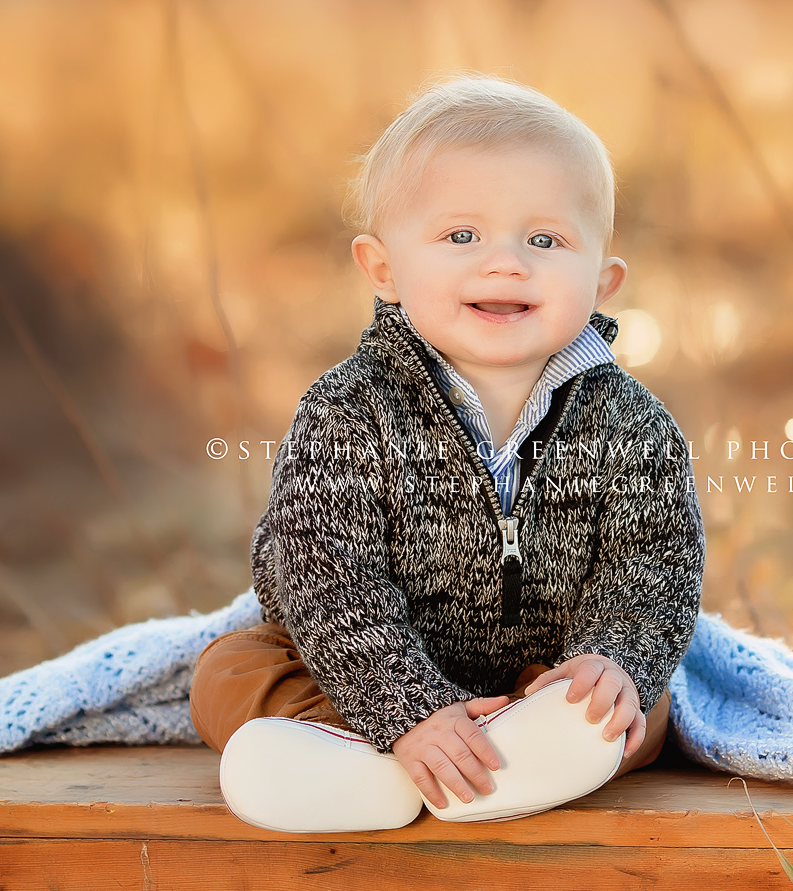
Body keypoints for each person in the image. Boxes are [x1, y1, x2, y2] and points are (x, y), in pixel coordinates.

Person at [189, 74, 706, 832]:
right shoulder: (349, 408)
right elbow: (319, 568)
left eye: (544, 239)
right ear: (383, 268)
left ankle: (519, 759)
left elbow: (655, 561)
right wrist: (407, 707)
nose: (505, 263)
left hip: (537, 679)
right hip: (363, 677)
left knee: (637, 703)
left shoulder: (632, 422)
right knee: (228, 672)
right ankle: (369, 759)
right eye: (461, 236)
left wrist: (612, 658)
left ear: (603, 279)